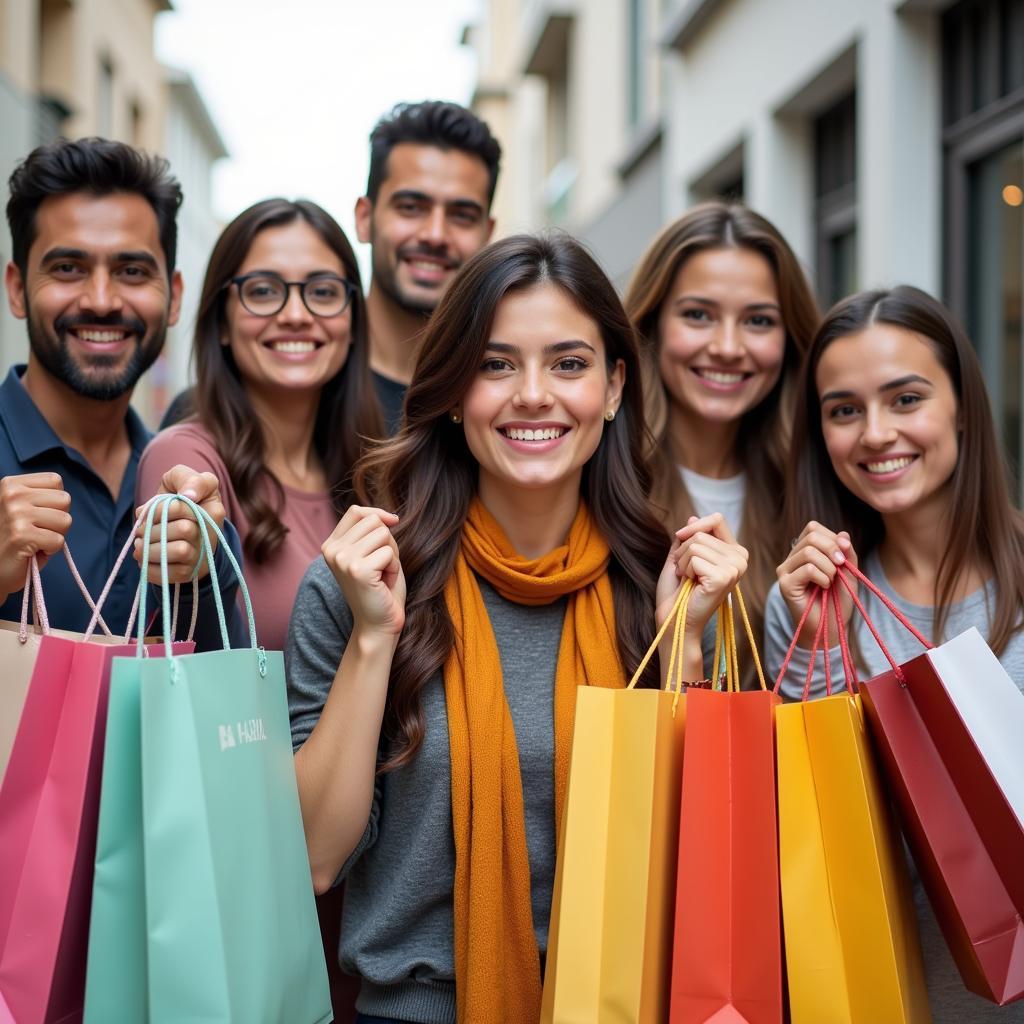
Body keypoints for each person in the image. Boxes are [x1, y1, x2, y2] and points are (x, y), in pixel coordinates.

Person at [286, 234, 750, 1024]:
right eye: (496, 365)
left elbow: (706, 866)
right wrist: (374, 638)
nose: (533, 394)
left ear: (612, 388)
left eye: (568, 364)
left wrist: (686, 647)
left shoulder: (667, 583)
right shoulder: (363, 580)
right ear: (453, 390)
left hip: (622, 1006)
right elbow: (313, 859)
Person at [766, 285, 1024, 1024]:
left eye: (906, 399)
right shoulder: (803, 602)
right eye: (844, 410)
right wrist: (822, 647)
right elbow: (811, 844)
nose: (875, 433)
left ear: (963, 408)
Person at [0, 137, 238, 644]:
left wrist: (203, 571)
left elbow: (225, 699)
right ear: (17, 288)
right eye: (68, 268)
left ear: (173, 297)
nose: (103, 300)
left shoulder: (186, 483)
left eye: (131, 271)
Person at [159, 100, 502, 435]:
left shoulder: (498, 401)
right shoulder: (251, 399)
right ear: (365, 219)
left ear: (487, 234)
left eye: (461, 215)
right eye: (411, 207)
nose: (435, 235)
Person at [137, 199, 382, 652]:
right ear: (223, 323)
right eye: (264, 290)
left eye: (324, 291)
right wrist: (199, 569)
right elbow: (195, 670)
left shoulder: (371, 469)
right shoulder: (186, 459)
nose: (294, 313)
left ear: (352, 322)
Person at [624, 200, 818, 679]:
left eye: (758, 321)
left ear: (789, 338)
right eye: (698, 315)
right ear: (653, 325)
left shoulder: (817, 486)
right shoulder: (608, 482)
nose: (728, 347)